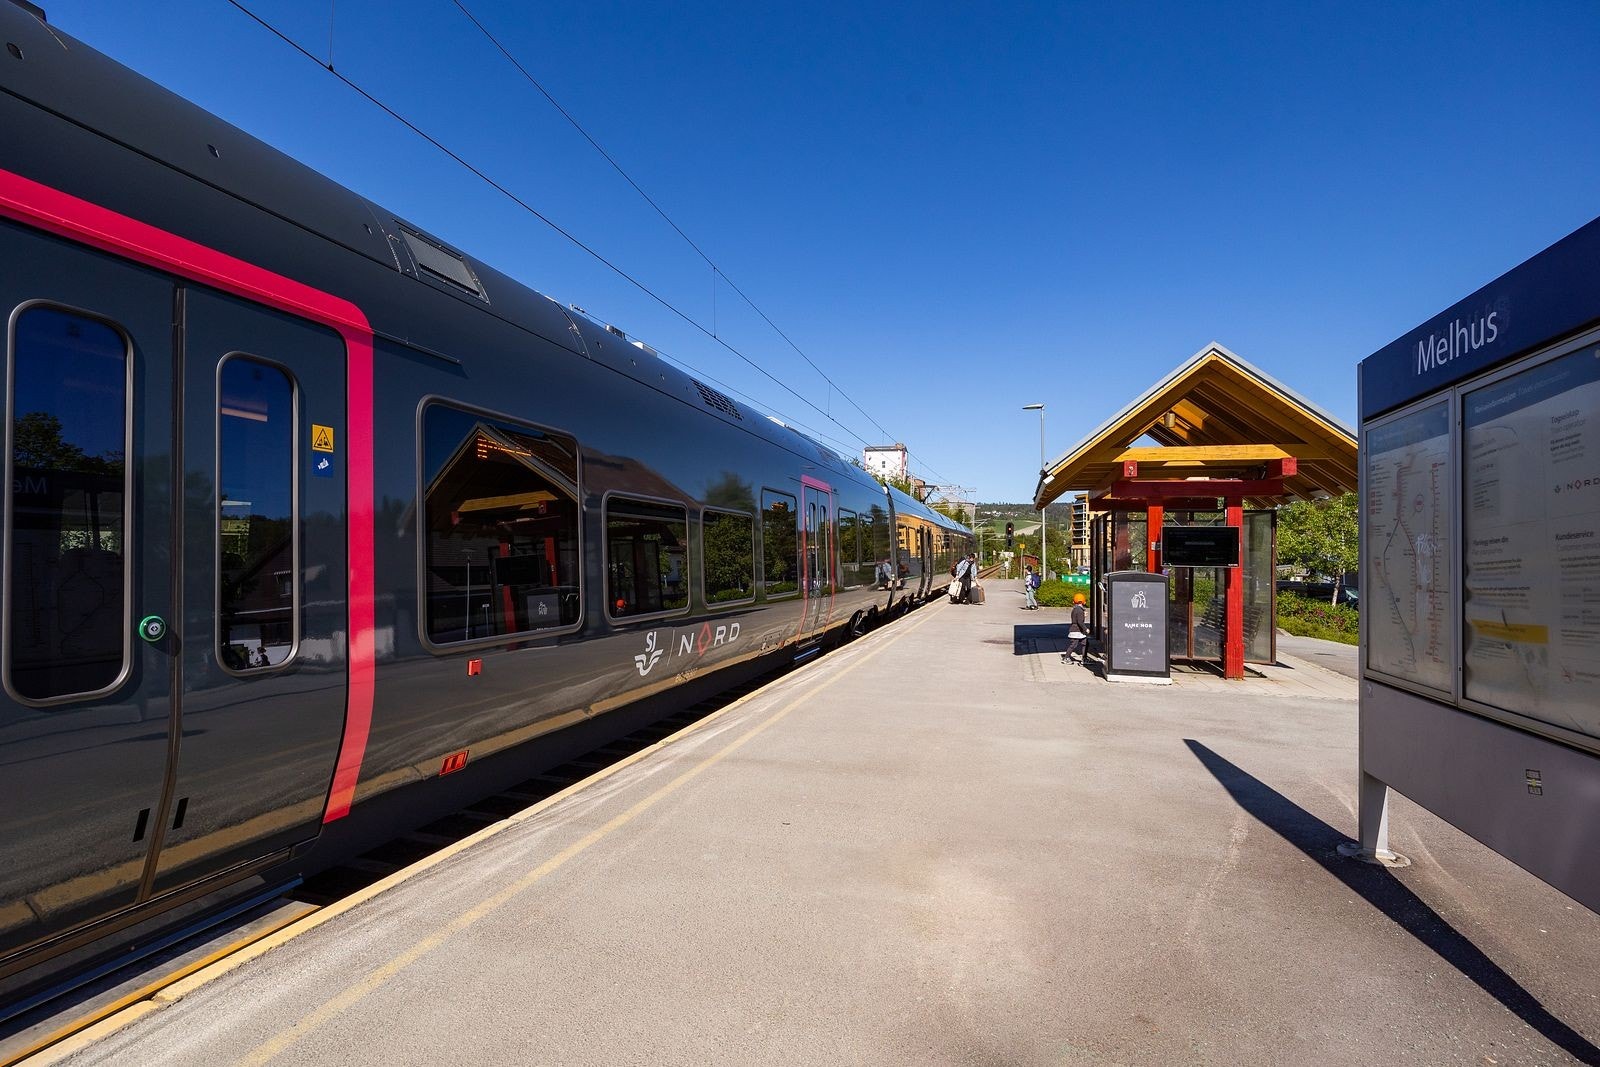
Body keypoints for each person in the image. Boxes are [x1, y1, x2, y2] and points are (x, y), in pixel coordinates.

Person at [1065, 593, 1089, 663]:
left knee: (1085, 643)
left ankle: (1084, 658)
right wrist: (1086, 629)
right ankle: (1066, 658)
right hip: (1077, 630)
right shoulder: (1080, 610)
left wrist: (1083, 615)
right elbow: (1080, 622)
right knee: (1074, 644)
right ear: (1082, 601)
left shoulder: (1075, 609)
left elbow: (1077, 619)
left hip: (1075, 630)